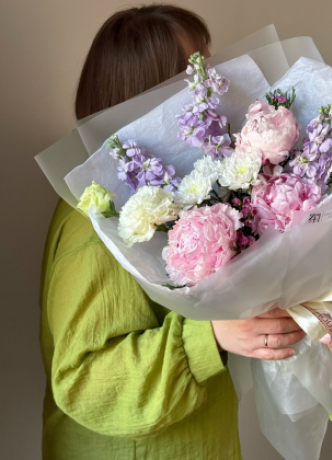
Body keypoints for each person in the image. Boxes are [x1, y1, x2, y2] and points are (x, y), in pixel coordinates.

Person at [40, 4, 305, 460]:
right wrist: (210, 337)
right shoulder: (95, 215)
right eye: (197, 70)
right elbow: (82, 380)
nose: (213, 84)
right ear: (147, 94)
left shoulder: (179, 195)